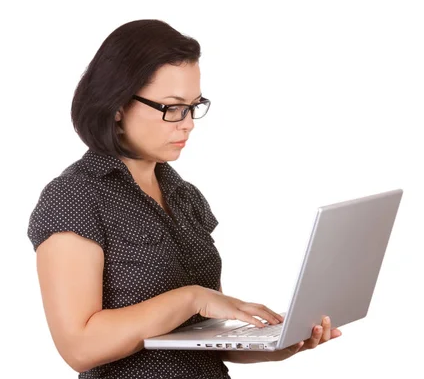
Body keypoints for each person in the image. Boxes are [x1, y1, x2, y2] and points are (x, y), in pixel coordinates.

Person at [27, 19, 341, 379]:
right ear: (116, 106)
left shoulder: (185, 196)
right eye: (172, 107)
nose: (188, 123)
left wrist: (274, 344)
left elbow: (204, 337)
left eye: (194, 105)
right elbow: (79, 347)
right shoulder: (74, 197)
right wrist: (191, 297)